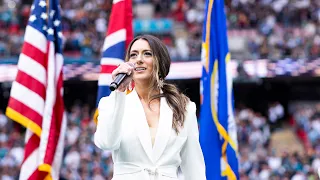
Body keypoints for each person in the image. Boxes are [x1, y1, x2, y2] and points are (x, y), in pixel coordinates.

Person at [94, 35, 206, 180]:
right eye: (133, 55)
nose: (139, 59)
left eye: (147, 53)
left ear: (160, 61)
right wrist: (119, 92)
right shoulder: (111, 103)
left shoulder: (184, 108)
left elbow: (193, 167)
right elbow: (106, 142)